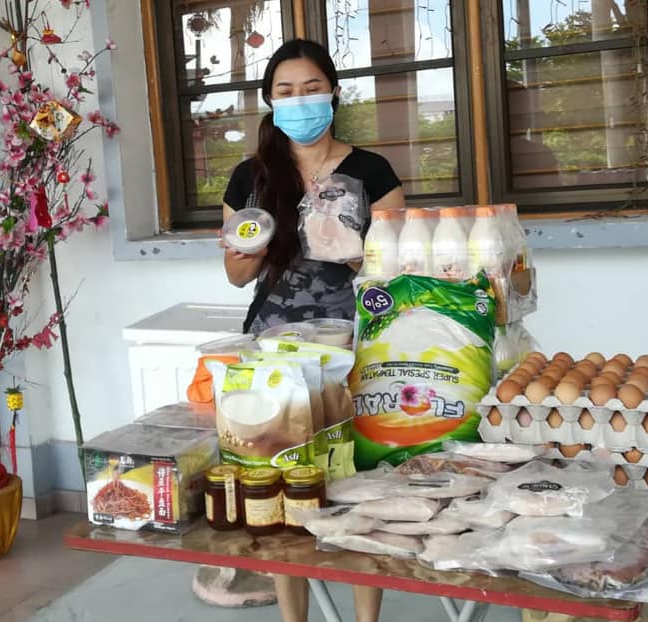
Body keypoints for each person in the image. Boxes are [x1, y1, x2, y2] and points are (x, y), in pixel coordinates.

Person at [221, 39, 404, 622]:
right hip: (275, 347)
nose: (299, 100)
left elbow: (397, 271)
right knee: (283, 478)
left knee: (358, 479)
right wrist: (256, 245)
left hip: (356, 342)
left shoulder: (371, 171)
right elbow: (235, 274)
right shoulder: (251, 177)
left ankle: (366, 616)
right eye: (286, 91)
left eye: (311, 88)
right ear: (270, 101)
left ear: (333, 93)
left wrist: (352, 248)